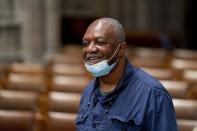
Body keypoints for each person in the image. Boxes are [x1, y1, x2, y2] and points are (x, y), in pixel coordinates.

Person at [76, 17, 177, 131]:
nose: (90, 49)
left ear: (121, 49)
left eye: (100, 42)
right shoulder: (88, 90)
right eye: (85, 43)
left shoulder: (153, 95)